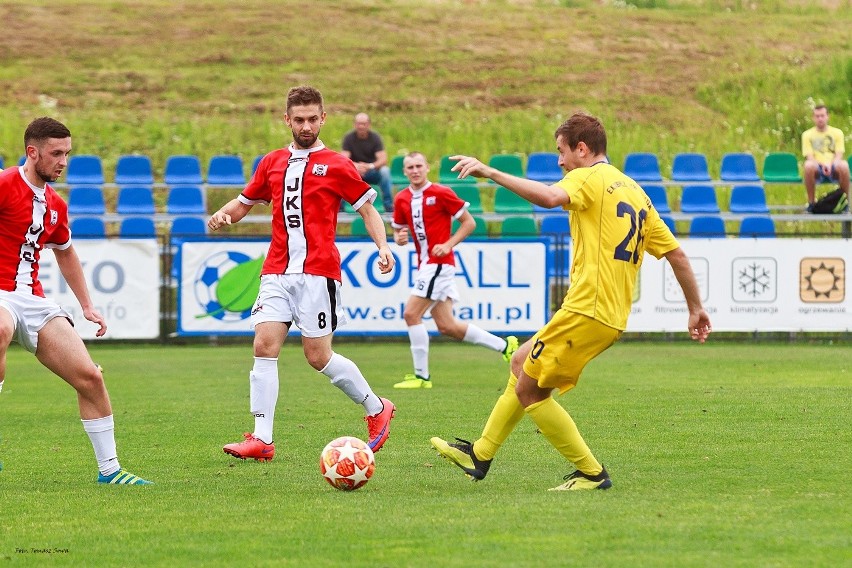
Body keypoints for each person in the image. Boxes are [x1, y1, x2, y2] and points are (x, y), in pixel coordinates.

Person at [430, 112, 712, 491]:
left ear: (582, 149)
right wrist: (695, 308)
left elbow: (549, 198)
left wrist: (490, 172)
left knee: (530, 391)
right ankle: (480, 454)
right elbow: (676, 254)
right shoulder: (636, 192)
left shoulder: (588, 176)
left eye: (561, 152)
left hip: (586, 308)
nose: (559, 162)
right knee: (519, 361)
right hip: (606, 315)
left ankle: (592, 473)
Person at [208, 86, 396, 461]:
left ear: (323, 118)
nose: (306, 126)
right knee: (264, 346)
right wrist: (224, 214)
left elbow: (368, 209)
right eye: (299, 120)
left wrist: (383, 245)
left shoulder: (338, 164)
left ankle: (377, 408)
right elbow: (245, 202)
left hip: (318, 273)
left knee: (318, 357)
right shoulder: (272, 162)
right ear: (287, 120)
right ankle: (262, 439)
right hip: (276, 270)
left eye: (313, 119)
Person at [0, 117, 151, 485]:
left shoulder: (55, 204)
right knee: (0, 327)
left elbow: (65, 253)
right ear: (32, 152)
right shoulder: (4, 185)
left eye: (67, 153)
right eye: (56, 154)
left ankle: (111, 471)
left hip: (31, 298)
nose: (63, 161)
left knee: (90, 377)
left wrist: (87, 306)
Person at [391, 152, 518, 389]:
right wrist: (399, 238)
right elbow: (399, 233)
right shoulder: (401, 199)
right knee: (447, 326)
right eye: (410, 167)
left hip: (439, 265)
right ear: (405, 172)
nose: (415, 170)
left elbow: (469, 223)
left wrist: (448, 244)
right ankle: (505, 346)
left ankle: (421, 377)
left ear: (427, 167)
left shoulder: (440, 193)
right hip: (426, 265)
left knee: (411, 314)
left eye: (419, 165)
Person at [341, 113, 394, 212]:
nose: (361, 126)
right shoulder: (349, 138)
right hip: (355, 173)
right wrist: (356, 166)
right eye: (359, 123)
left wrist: (369, 166)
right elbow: (344, 158)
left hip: (371, 171)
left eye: (364, 124)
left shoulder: (375, 138)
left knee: (385, 171)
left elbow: (383, 159)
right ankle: (340, 207)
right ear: (355, 124)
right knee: (342, 172)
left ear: (369, 124)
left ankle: (388, 206)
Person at [803, 104, 849, 211]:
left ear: (827, 116)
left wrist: (830, 164)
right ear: (813, 118)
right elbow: (809, 156)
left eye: (822, 116)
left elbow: (839, 154)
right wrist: (823, 165)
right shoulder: (807, 135)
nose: (820, 119)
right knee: (808, 165)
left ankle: (844, 202)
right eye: (817, 116)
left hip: (834, 165)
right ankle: (811, 202)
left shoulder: (837, 133)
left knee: (844, 165)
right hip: (817, 167)